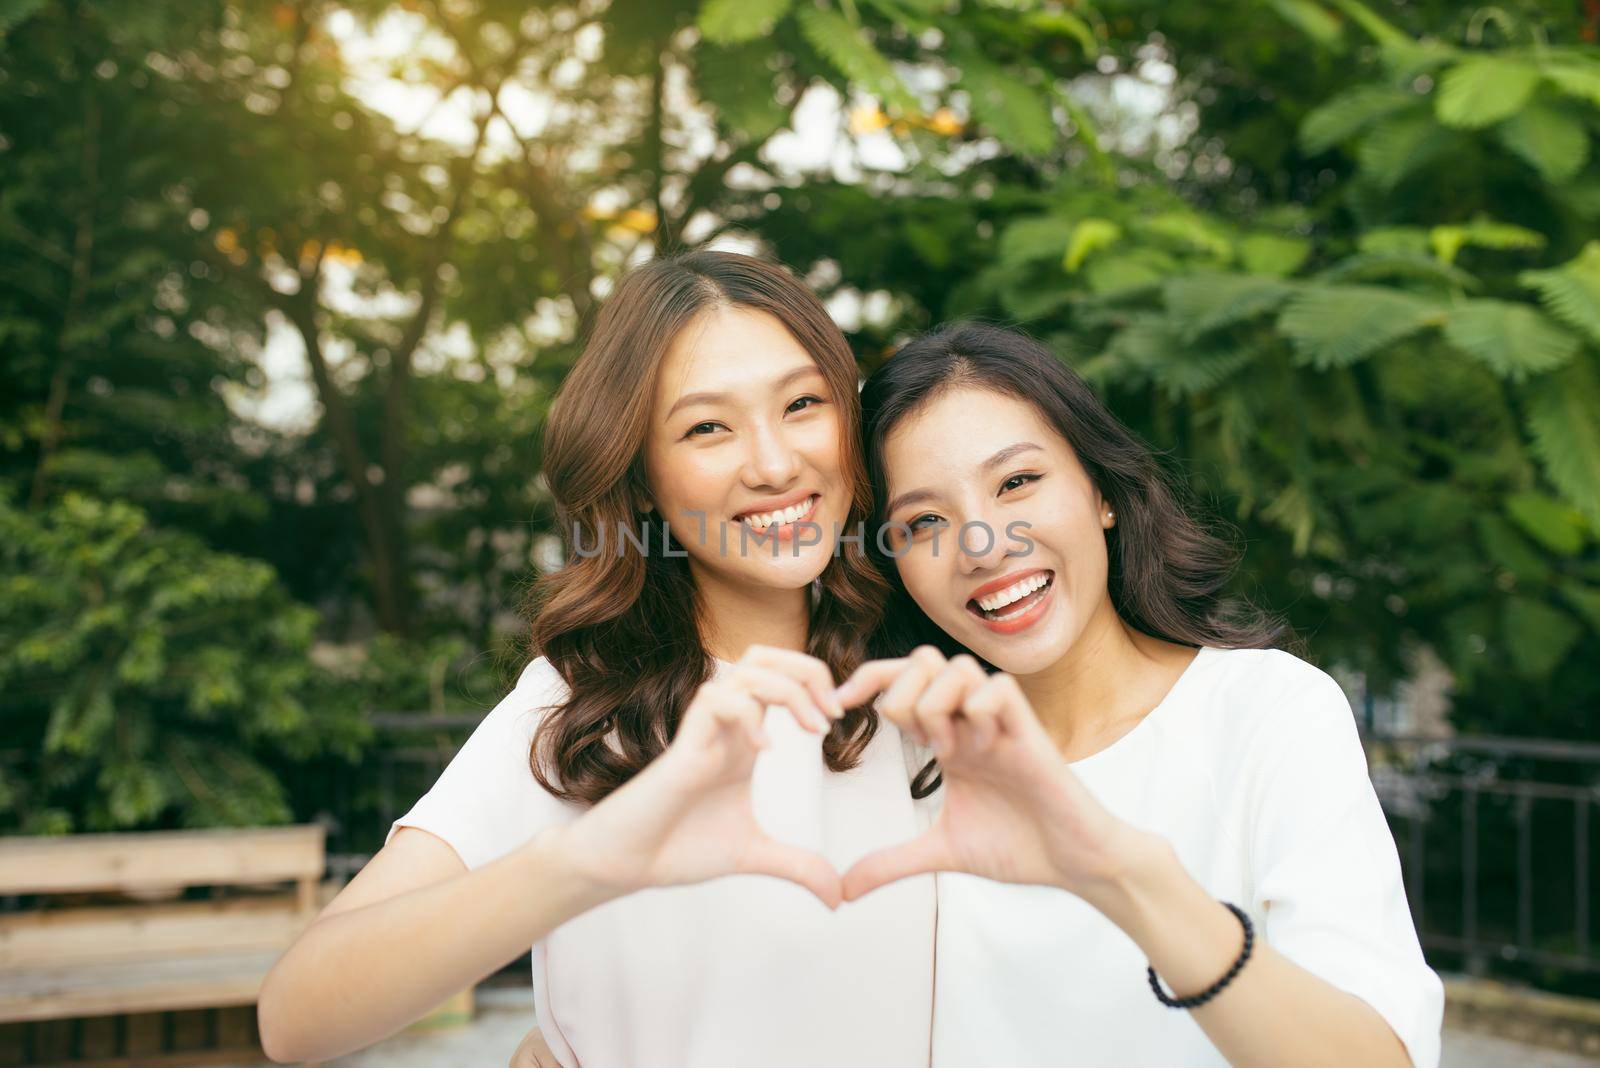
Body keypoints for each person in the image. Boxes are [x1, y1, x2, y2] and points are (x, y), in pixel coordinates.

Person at [255, 252, 936, 1067]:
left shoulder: (927, 678)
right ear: (642, 478)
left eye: (801, 404)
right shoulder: (585, 708)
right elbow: (297, 1018)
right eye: (707, 427)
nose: (774, 463)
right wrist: (584, 862)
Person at [830, 321, 1444, 1067]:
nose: (983, 547)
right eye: (925, 521)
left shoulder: (1267, 714)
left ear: (1102, 493)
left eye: (1018, 482)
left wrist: (1125, 878)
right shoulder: (898, 758)